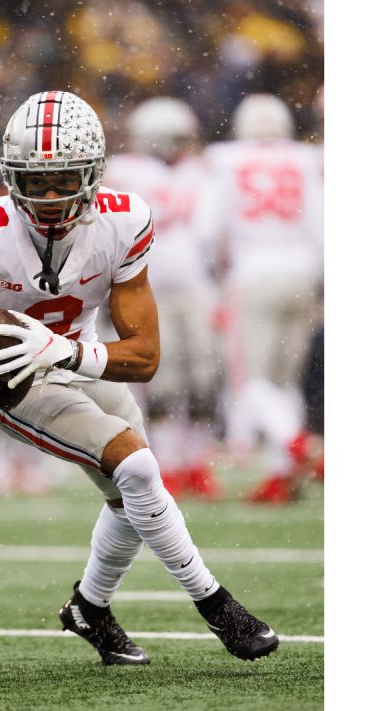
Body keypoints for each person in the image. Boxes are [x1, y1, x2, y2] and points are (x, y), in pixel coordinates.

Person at [0, 91, 278, 664]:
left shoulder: (122, 221)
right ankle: (217, 606)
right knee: (137, 467)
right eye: (33, 180)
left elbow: (144, 356)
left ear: (91, 172)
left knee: (133, 495)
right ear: (9, 176)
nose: (47, 196)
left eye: (62, 178)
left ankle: (89, 609)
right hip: (14, 380)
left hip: (75, 358)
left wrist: (64, 351)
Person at [200, 93, 324, 503]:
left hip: (253, 275)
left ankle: (297, 446)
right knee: (284, 381)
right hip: (303, 272)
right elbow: (323, 223)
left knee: (250, 383)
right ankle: (282, 475)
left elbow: (206, 228)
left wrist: (216, 275)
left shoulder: (224, 160)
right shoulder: (306, 160)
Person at [104, 97, 223, 500]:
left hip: (193, 289)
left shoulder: (199, 172)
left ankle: (197, 463)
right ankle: (169, 464)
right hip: (151, 291)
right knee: (163, 384)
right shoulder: (127, 172)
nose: (184, 145)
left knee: (204, 381)